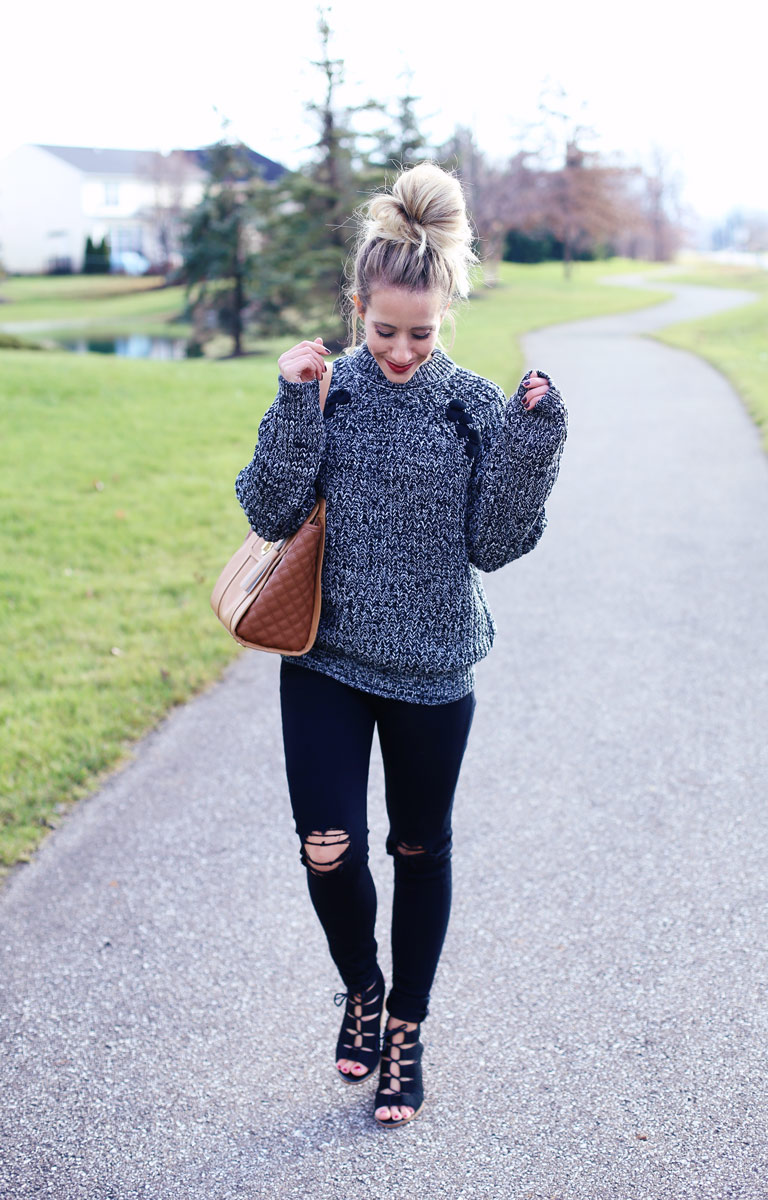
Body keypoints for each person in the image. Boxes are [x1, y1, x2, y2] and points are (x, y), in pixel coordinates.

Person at [235, 162, 567, 1128]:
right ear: (357, 310)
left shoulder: (472, 406)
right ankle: (363, 989)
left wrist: (533, 446)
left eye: (421, 333)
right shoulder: (325, 388)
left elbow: (495, 545)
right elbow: (269, 510)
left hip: (433, 671)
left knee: (419, 849)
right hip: (326, 662)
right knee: (326, 849)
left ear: (445, 315)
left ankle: (406, 1032)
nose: (401, 351)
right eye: (384, 331)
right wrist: (293, 402)